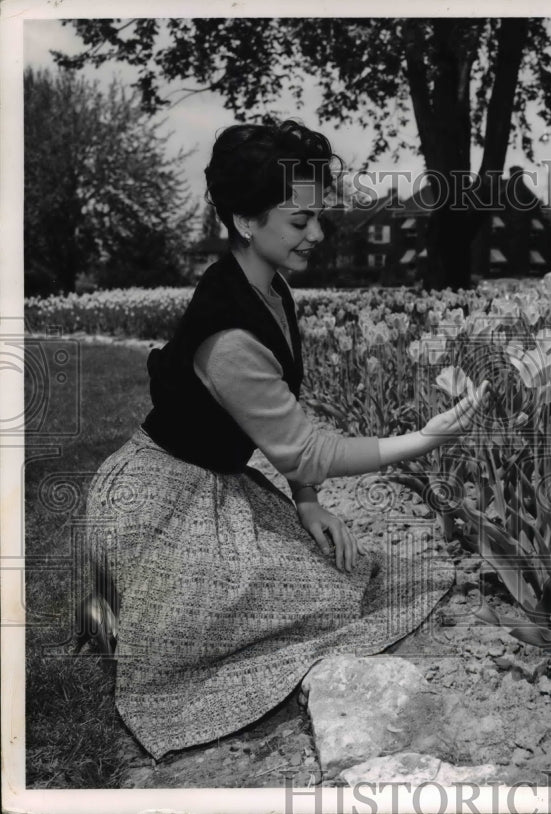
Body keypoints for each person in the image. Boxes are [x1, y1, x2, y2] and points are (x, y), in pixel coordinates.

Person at [78, 119, 489, 760]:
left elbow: (288, 424)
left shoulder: (271, 290)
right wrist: (423, 439)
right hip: (158, 504)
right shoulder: (229, 335)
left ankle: (123, 601)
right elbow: (309, 448)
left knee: (345, 580)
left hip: (210, 484)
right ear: (246, 221)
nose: (317, 235)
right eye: (300, 222)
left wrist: (306, 502)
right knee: (316, 606)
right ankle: (125, 605)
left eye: (318, 218)